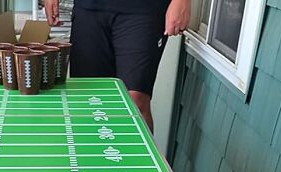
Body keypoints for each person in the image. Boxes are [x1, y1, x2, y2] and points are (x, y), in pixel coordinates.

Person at [44, 0, 190, 130]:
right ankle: (94, 159)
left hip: (145, 9)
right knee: (89, 100)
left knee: (135, 102)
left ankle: (137, 160)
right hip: (89, 8)